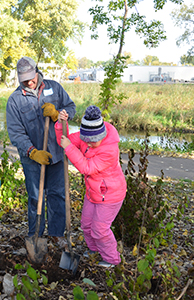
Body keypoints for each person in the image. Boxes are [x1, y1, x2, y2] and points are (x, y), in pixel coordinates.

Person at [6, 56, 76, 247]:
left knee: (58, 194)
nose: (29, 82)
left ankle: (56, 234)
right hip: (32, 159)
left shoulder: (54, 87)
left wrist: (58, 114)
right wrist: (32, 152)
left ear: (37, 71)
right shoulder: (15, 100)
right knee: (35, 197)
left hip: (57, 153)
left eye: (31, 77)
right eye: (24, 79)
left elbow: (71, 108)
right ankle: (35, 235)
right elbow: (16, 132)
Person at [55, 105, 127, 267]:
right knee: (86, 225)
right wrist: (61, 124)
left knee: (100, 229)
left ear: (102, 134)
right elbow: (63, 140)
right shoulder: (84, 137)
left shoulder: (109, 150)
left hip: (110, 194)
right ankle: (94, 250)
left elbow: (87, 168)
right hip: (93, 192)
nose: (92, 144)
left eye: (95, 140)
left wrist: (69, 148)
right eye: (88, 140)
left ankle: (111, 259)